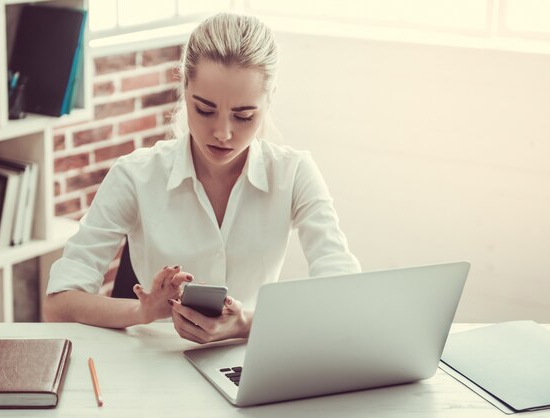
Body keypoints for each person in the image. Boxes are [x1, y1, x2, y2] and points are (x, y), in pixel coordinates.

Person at [43, 13, 360, 343]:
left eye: (244, 115)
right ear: (184, 87)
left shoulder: (293, 173)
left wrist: (246, 323)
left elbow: (343, 294)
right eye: (205, 110)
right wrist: (143, 313)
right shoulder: (135, 175)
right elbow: (59, 305)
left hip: (250, 363)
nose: (223, 133)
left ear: (269, 100)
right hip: (154, 364)